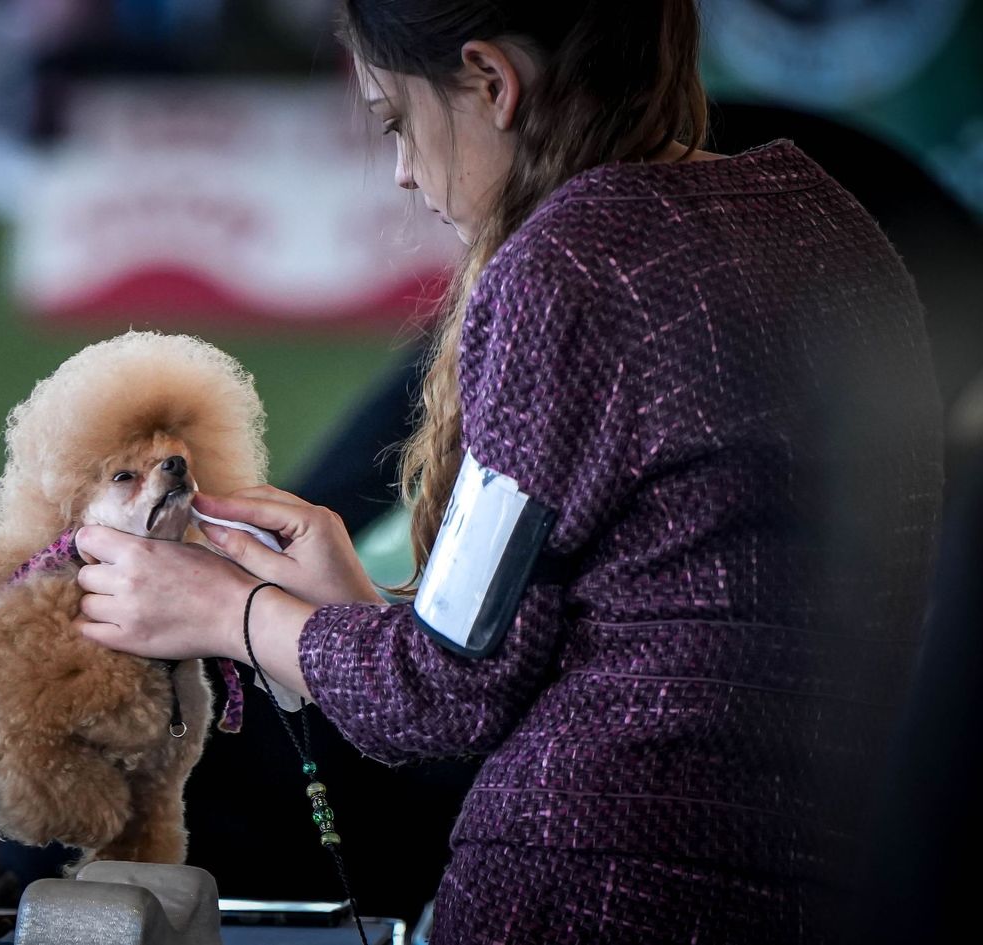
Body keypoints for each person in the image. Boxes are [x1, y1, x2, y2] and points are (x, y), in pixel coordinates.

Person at [71, 2, 944, 943]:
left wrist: (224, 610)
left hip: (591, 897)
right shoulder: (822, 215)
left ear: (492, 81)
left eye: (396, 122)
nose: (404, 171)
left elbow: (444, 698)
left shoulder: (568, 267)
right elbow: (620, 631)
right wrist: (350, 615)